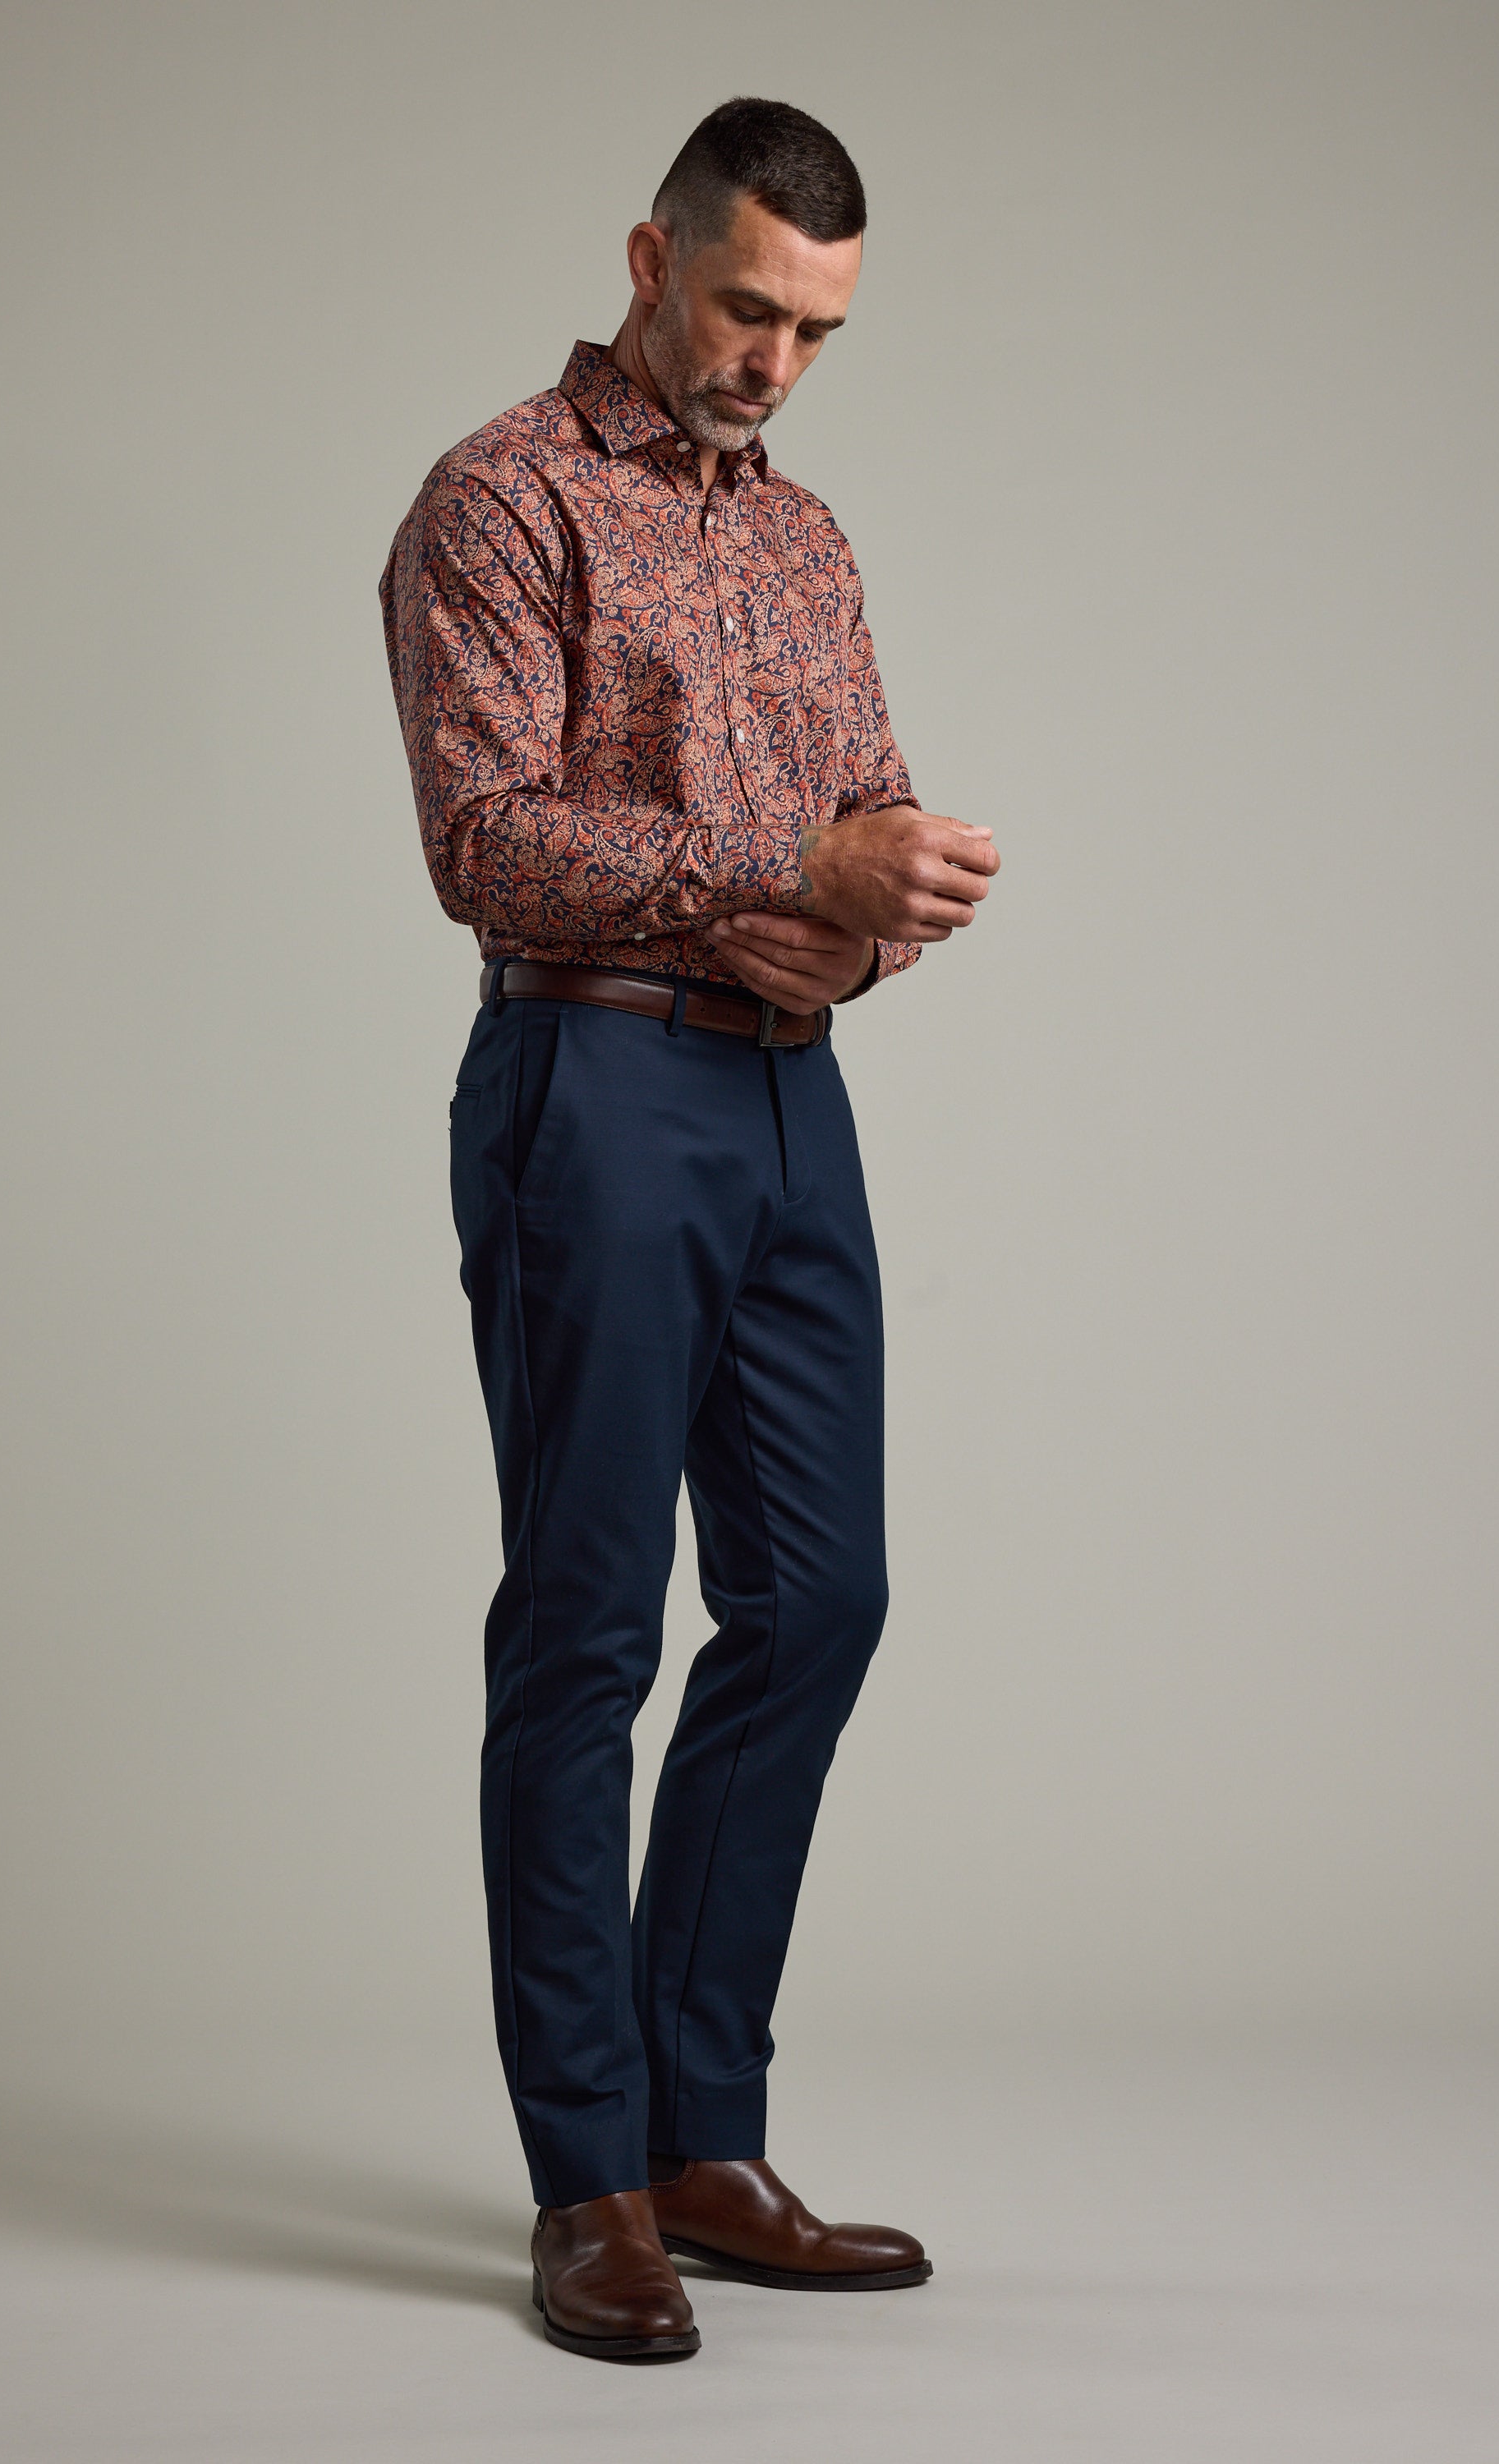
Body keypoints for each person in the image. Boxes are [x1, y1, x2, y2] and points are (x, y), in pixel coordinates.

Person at [379, 94, 1000, 2363]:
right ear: (651, 260)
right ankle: (589, 2178)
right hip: (594, 1083)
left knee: (819, 1596)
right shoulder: (499, 498)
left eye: (817, 333)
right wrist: (781, 876)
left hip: (786, 1092)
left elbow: (863, 808)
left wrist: (883, 908)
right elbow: (488, 839)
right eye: (747, 309)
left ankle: (702, 2132)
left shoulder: (806, 539)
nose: (773, 363)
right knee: (583, 1630)